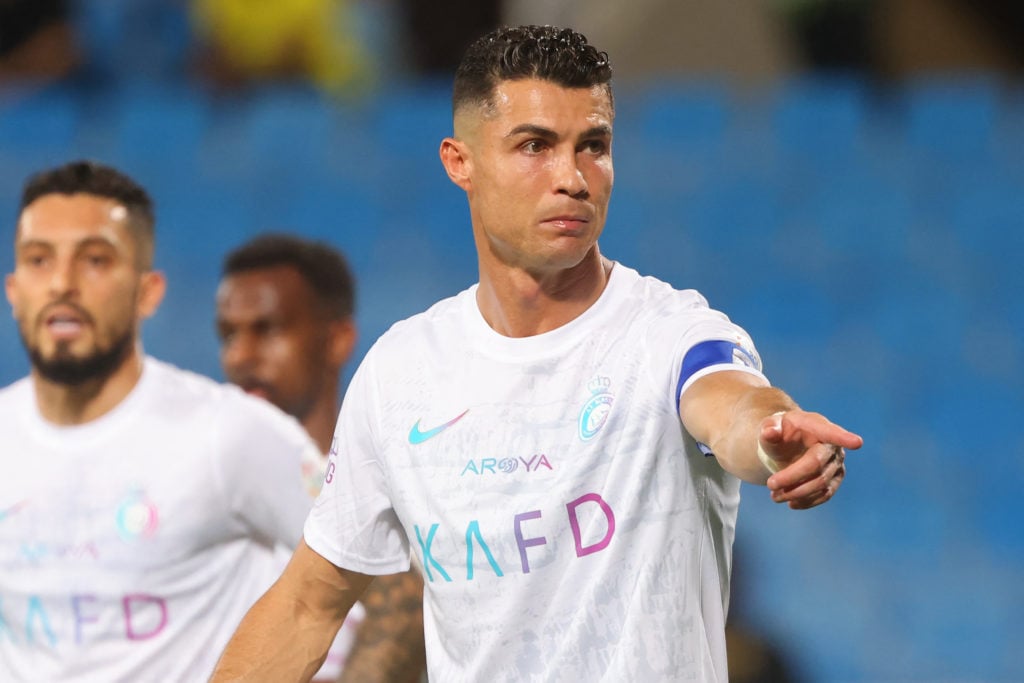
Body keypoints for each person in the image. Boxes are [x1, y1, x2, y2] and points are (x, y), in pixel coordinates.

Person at [212, 25, 864, 682]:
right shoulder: (399, 373)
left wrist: (772, 435)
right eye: (535, 146)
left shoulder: (670, 333)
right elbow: (306, 605)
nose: (573, 179)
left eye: (594, 147)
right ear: (459, 160)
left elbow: (733, 406)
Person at [0, 161, 326, 680]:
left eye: (95, 260)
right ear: (14, 291)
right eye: (39, 260)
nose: (62, 283)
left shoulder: (229, 434)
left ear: (147, 292)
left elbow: (382, 576)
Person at [215, 233, 426, 681]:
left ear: (338, 339)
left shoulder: (400, 487)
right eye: (228, 334)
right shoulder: (208, 492)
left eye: (267, 330)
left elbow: (413, 609)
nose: (240, 355)